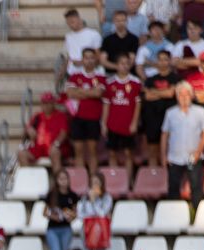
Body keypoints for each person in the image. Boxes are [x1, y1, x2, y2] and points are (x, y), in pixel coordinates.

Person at [162, 81, 204, 215]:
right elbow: (165, 134)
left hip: (193, 157)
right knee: (173, 187)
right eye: (181, 95)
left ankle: (197, 215)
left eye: (187, 94)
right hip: (175, 157)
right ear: (177, 96)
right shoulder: (170, 113)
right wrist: (163, 155)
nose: (184, 98)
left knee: (196, 187)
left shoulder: (200, 112)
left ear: (192, 96)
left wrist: (198, 152)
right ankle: (173, 215)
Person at [66, 47, 107, 180]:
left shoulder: (100, 77)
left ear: (95, 60)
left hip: (93, 117)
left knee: (92, 150)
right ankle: (80, 180)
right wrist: (90, 92)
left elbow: (98, 93)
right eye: (86, 58)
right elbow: (70, 93)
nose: (89, 60)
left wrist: (80, 91)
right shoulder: (75, 76)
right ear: (82, 60)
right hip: (78, 117)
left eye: (91, 58)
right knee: (78, 150)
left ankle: (93, 180)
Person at [102, 53, 142, 172]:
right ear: (117, 65)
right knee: (112, 153)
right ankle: (114, 179)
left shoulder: (135, 82)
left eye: (127, 63)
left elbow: (138, 104)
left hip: (128, 124)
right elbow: (106, 104)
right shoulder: (109, 83)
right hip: (113, 123)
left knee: (128, 153)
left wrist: (134, 123)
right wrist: (103, 124)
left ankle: (128, 180)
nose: (124, 66)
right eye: (121, 63)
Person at [141, 50, 178, 167]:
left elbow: (171, 94)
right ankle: (153, 174)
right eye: (160, 59)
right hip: (153, 118)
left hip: (170, 118)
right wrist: (164, 92)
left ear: (170, 61)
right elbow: (147, 96)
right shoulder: (150, 79)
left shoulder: (176, 78)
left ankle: (169, 173)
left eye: (165, 59)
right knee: (152, 150)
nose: (162, 62)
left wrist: (154, 91)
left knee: (170, 149)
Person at [18, 91, 70, 172]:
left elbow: (64, 133)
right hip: (40, 148)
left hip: (55, 147)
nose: (47, 106)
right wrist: (28, 130)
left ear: (53, 104)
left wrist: (56, 144)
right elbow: (25, 132)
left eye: (49, 103)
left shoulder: (61, 116)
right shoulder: (37, 116)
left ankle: (58, 177)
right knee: (22, 154)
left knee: (54, 151)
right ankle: (28, 177)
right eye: (44, 103)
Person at [77, 174, 114, 250]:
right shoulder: (84, 198)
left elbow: (102, 214)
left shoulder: (107, 197)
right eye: (93, 183)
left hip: (100, 230)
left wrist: (94, 202)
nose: (95, 185)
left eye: (97, 182)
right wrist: (90, 202)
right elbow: (80, 215)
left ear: (102, 184)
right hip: (87, 230)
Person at [44, 168, 79, 250]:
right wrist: (54, 216)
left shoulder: (72, 195)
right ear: (57, 180)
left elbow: (75, 213)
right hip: (53, 229)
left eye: (65, 178)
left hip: (66, 229)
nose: (63, 181)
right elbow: (45, 212)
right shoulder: (52, 194)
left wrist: (70, 217)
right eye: (61, 179)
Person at [64, 9, 102, 73]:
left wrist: (83, 62)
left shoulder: (94, 34)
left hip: (90, 72)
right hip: (72, 72)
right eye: (68, 23)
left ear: (79, 19)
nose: (70, 25)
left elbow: (98, 56)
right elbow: (68, 56)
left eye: (72, 22)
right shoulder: (68, 36)